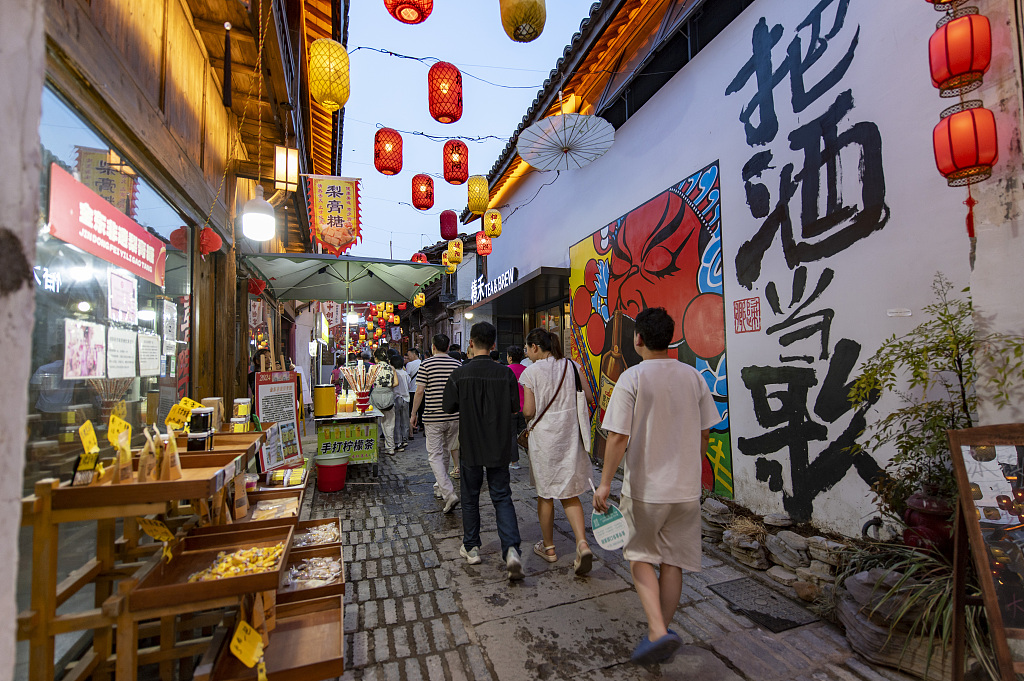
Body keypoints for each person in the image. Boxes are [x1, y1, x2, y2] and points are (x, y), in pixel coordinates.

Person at [592, 307, 721, 664]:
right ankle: (660, 632)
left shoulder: (632, 378)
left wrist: (604, 484)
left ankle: (658, 632)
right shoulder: (693, 377)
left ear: (638, 339)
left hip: (646, 490)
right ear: (670, 338)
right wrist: (691, 469)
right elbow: (705, 432)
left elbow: (618, 437)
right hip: (686, 491)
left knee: (639, 556)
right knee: (673, 562)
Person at [442, 322, 524, 580]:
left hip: (471, 445)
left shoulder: (459, 374)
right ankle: (511, 549)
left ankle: (472, 547)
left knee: (470, 497)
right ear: (493, 345)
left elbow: (447, 406)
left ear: (471, 343)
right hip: (499, 445)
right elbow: (515, 407)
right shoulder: (506, 374)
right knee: (502, 496)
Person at [520, 329, 596, 576]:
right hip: (570, 437)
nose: (527, 353)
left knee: (545, 494)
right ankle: (582, 544)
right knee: (570, 493)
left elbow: (529, 411)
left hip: (544, 441)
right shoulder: (572, 366)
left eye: (527, 348)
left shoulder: (531, 372)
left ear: (535, 347)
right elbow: (589, 396)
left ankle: (549, 548)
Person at [410, 334, 462, 512]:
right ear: (448, 347)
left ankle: (448, 493)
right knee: (445, 452)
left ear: (433, 347)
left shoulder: (426, 364)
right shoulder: (457, 364)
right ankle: (440, 487)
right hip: (454, 416)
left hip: (433, 417)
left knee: (434, 455)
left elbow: (419, 391)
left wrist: (413, 413)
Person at [370, 347, 398, 456]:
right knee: (389, 424)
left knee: (376, 423)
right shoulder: (392, 368)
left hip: (376, 396)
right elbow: (396, 383)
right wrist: (388, 386)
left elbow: (369, 382)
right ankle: (390, 448)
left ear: (376, 358)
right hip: (388, 396)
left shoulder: (373, 368)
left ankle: (375, 448)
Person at [506, 345, 528, 470]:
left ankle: (514, 462)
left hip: (511, 408)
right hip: (527, 408)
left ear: (510, 358)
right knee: (527, 434)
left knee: (512, 435)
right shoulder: (527, 370)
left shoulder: (506, 371)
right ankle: (533, 460)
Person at [391, 355, 410, 451]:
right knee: (405, 420)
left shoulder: (393, 374)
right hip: (406, 399)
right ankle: (405, 439)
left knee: (397, 421)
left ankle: (398, 442)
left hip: (396, 398)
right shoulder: (405, 373)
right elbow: (409, 385)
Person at [406, 348, 422, 436]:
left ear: (414, 354)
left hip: (412, 390)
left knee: (413, 409)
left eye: (409, 355)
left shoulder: (409, 364)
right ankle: (422, 426)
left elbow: (408, 378)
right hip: (422, 390)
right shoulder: (423, 363)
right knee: (422, 409)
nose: (408, 357)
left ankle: (413, 428)